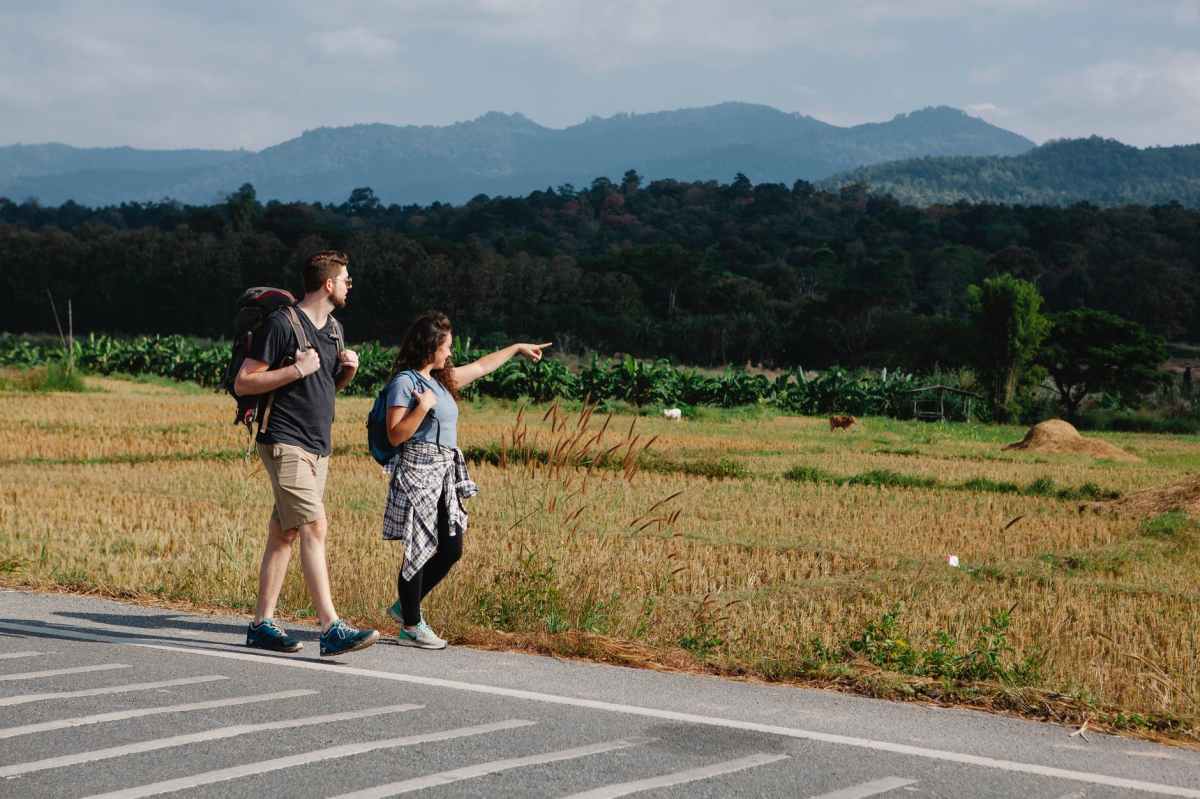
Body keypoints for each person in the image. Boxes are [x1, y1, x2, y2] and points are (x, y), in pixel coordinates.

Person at [234, 250, 379, 658]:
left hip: (318, 445)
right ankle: (331, 628)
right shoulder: (282, 325)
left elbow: (323, 387)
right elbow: (245, 381)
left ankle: (262, 624)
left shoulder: (334, 330)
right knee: (315, 527)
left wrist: (345, 372)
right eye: (346, 279)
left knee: (286, 533)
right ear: (328, 284)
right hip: (284, 440)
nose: (351, 285)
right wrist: (295, 369)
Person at [382, 311, 550, 649]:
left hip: (444, 471)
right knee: (419, 546)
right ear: (430, 347)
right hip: (419, 470)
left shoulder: (442, 381)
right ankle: (412, 624)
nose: (450, 353)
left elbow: (483, 366)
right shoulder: (406, 383)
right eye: (446, 347)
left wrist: (517, 348)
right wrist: (422, 407)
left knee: (450, 548)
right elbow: (395, 435)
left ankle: (405, 608)